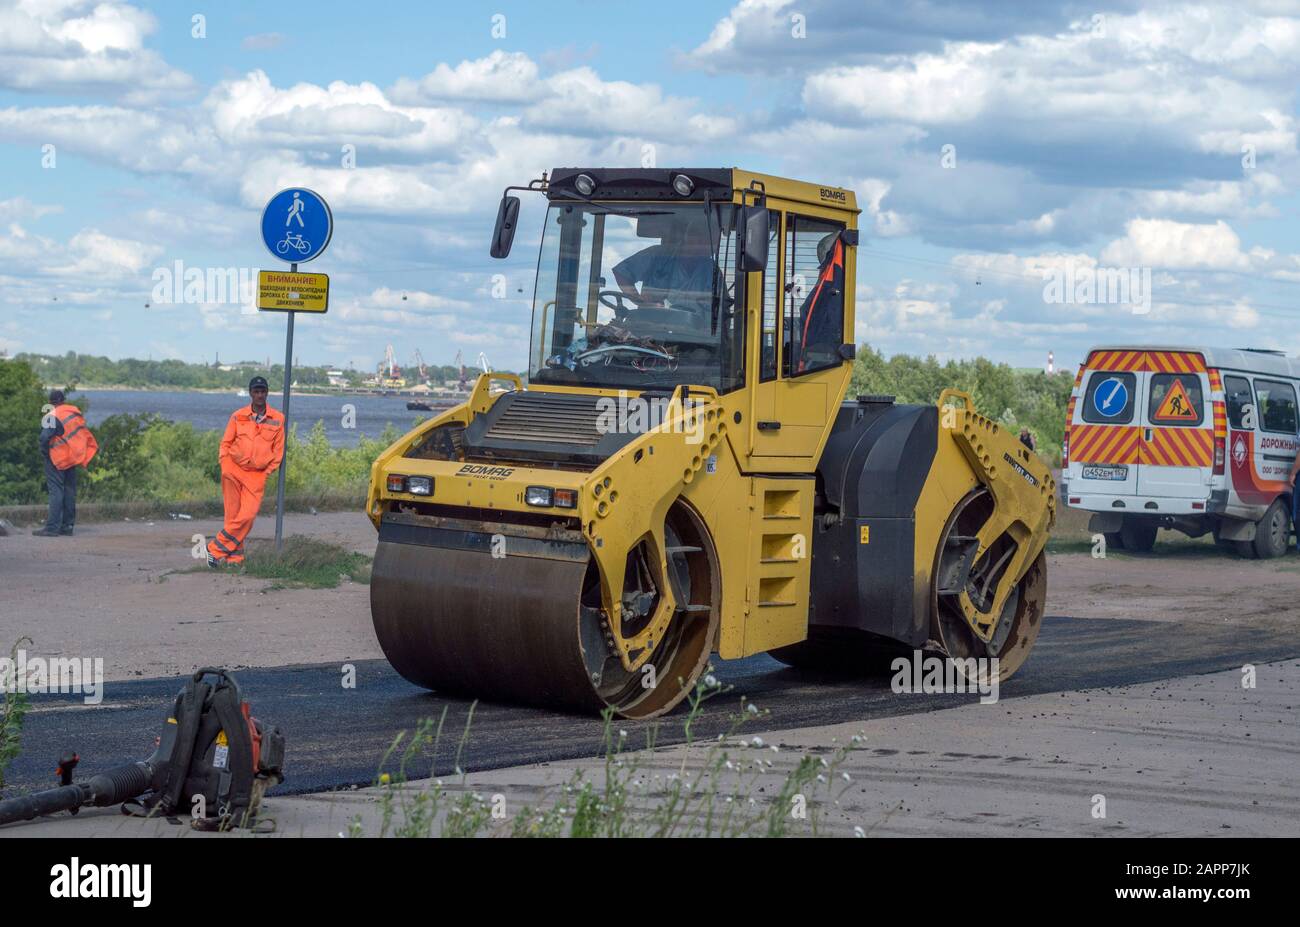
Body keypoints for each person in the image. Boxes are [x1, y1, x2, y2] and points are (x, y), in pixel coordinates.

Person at [207, 377, 284, 567]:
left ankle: (214, 549)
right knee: (232, 516)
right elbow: (225, 443)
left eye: (262, 391)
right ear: (250, 393)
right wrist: (225, 465)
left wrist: (266, 472)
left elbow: (278, 452)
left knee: (247, 517)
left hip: (256, 475)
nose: (259, 395)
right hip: (233, 469)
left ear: (267, 393)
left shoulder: (278, 419)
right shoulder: (237, 415)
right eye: (256, 391)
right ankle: (234, 559)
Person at [612, 214, 717, 318]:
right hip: (652, 327)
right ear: (691, 238)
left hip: (694, 332)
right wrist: (639, 300)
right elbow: (622, 273)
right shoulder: (657, 255)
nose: (712, 252)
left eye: (714, 246)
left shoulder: (712, 270)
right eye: (709, 244)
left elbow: (723, 308)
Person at [33, 389, 98, 537]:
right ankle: (67, 527)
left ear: (50, 402)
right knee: (69, 491)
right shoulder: (74, 413)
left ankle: (52, 528)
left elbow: (44, 438)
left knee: (56, 491)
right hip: (72, 457)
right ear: (63, 400)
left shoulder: (52, 415)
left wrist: (45, 452)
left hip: (57, 458)